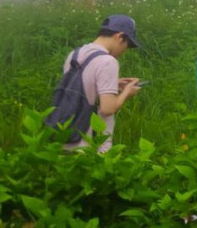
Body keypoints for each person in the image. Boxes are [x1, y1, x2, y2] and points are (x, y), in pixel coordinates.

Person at [58, 14, 142, 151]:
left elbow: (80, 88)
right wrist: (127, 92)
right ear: (120, 37)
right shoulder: (108, 61)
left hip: (67, 137)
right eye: (127, 45)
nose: (125, 50)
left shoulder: (75, 54)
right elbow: (107, 109)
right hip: (92, 144)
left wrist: (113, 84)